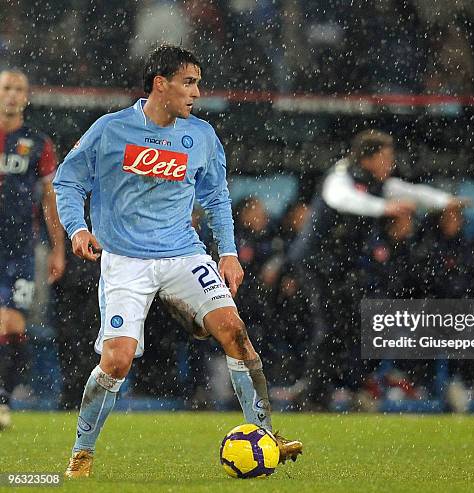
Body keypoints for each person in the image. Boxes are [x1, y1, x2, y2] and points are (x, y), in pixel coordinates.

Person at [53, 45, 302, 478]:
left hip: (183, 253)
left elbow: (217, 197)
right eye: (189, 83)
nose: (197, 93)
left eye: (198, 83)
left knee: (235, 332)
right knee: (117, 361)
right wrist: (77, 228)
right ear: (160, 84)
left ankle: (266, 435)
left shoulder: (202, 136)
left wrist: (227, 252)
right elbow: (68, 181)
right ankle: (82, 451)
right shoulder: (110, 130)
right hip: (125, 261)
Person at [288, 128, 466, 409]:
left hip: (339, 263)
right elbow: (342, 200)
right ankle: (313, 393)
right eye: (386, 157)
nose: (391, 163)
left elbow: (409, 191)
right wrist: (386, 209)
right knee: (330, 325)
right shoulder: (340, 177)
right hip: (315, 260)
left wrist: (444, 201)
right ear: (368, 158)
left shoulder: (376, 183)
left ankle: (336, 386)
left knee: (353, 324)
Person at [0, 69, 65, 430]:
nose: (11, 95)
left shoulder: (37, 143)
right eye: (6, 88)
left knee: (12, 322)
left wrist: (57, 248)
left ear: (26, 96)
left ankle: (3, 399)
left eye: (18, 89)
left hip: (19, 250)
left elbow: (48, 199)